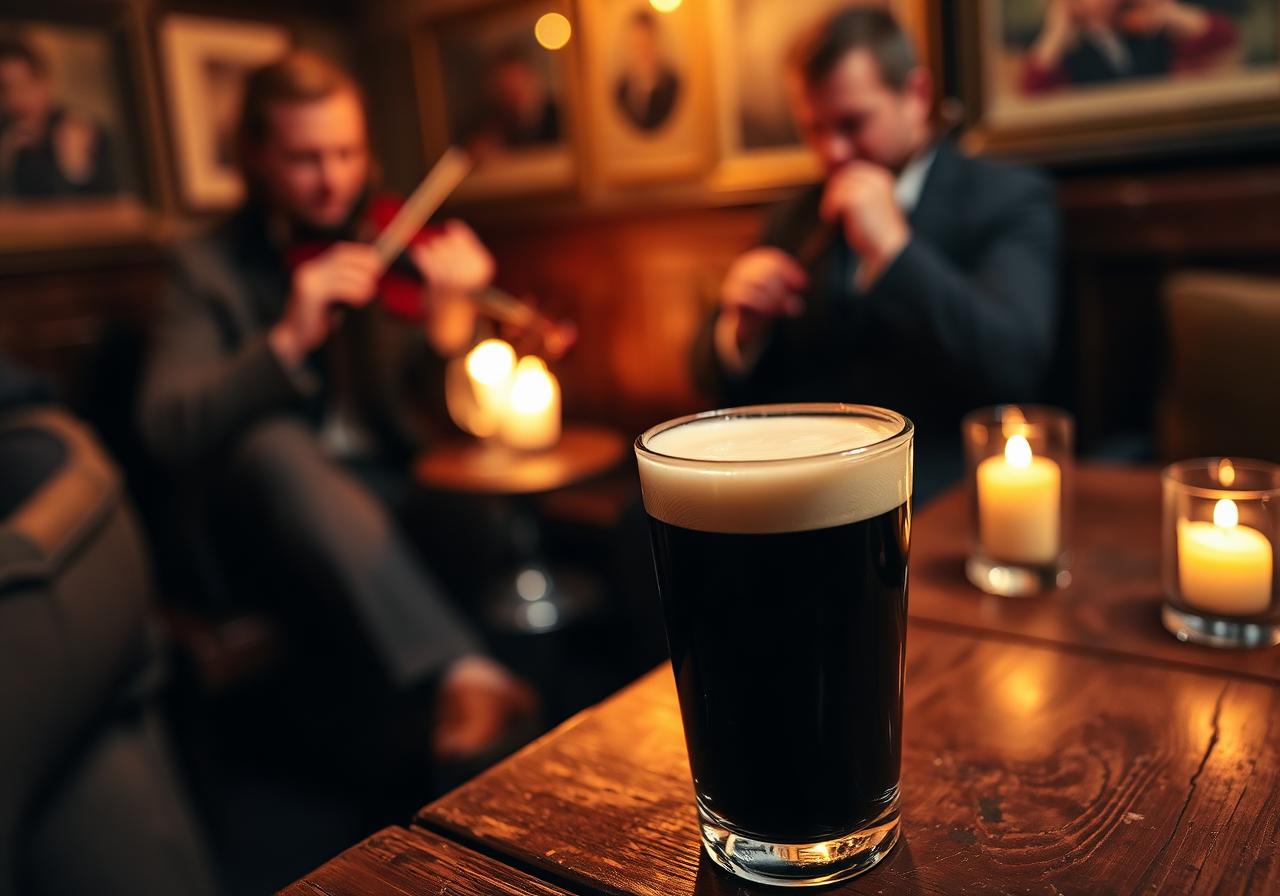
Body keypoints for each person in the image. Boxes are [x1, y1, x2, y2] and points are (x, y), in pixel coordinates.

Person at [138, 50, 536, 766]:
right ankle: (468, 676)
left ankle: (473, 711)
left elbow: (426, 421)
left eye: (348, 153)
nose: (333, 180)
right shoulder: (206, 267)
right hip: (261, 525)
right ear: (256, 156)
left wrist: (449, 334)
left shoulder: (381, 239)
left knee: (462, 495)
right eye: (305, 158)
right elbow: (165, 423)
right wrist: (285, 340)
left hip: (383, 488)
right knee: (275, 443)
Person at [692, 7, 1060, 500]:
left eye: (852, 123)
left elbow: (1013, 362)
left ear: (916, 96)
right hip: (802, 474)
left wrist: (894, 250)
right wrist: (740, 329)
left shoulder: (1008, 197)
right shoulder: (796, 214)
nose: (833, 152)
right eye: (814, 130)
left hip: (942, 482)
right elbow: (709, 376)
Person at [1022, 0, 1237, 94]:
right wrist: (1058, 30)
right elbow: (1032, 88)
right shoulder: (1065, 47)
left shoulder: (1146, 30)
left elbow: (1223, 38)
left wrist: (1170, 13)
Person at [0, 37, 119, 199]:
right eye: (4, 89)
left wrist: (76, 171)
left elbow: (113, 205)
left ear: (45, 81)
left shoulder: (83, 130)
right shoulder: (6, 135)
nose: (15, 98)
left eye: (23, 85)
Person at [614, 10, 681, 133]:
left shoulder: (673, 85)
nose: (642, 53)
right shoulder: (620, 91)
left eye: (646, 44)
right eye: (636, 46)